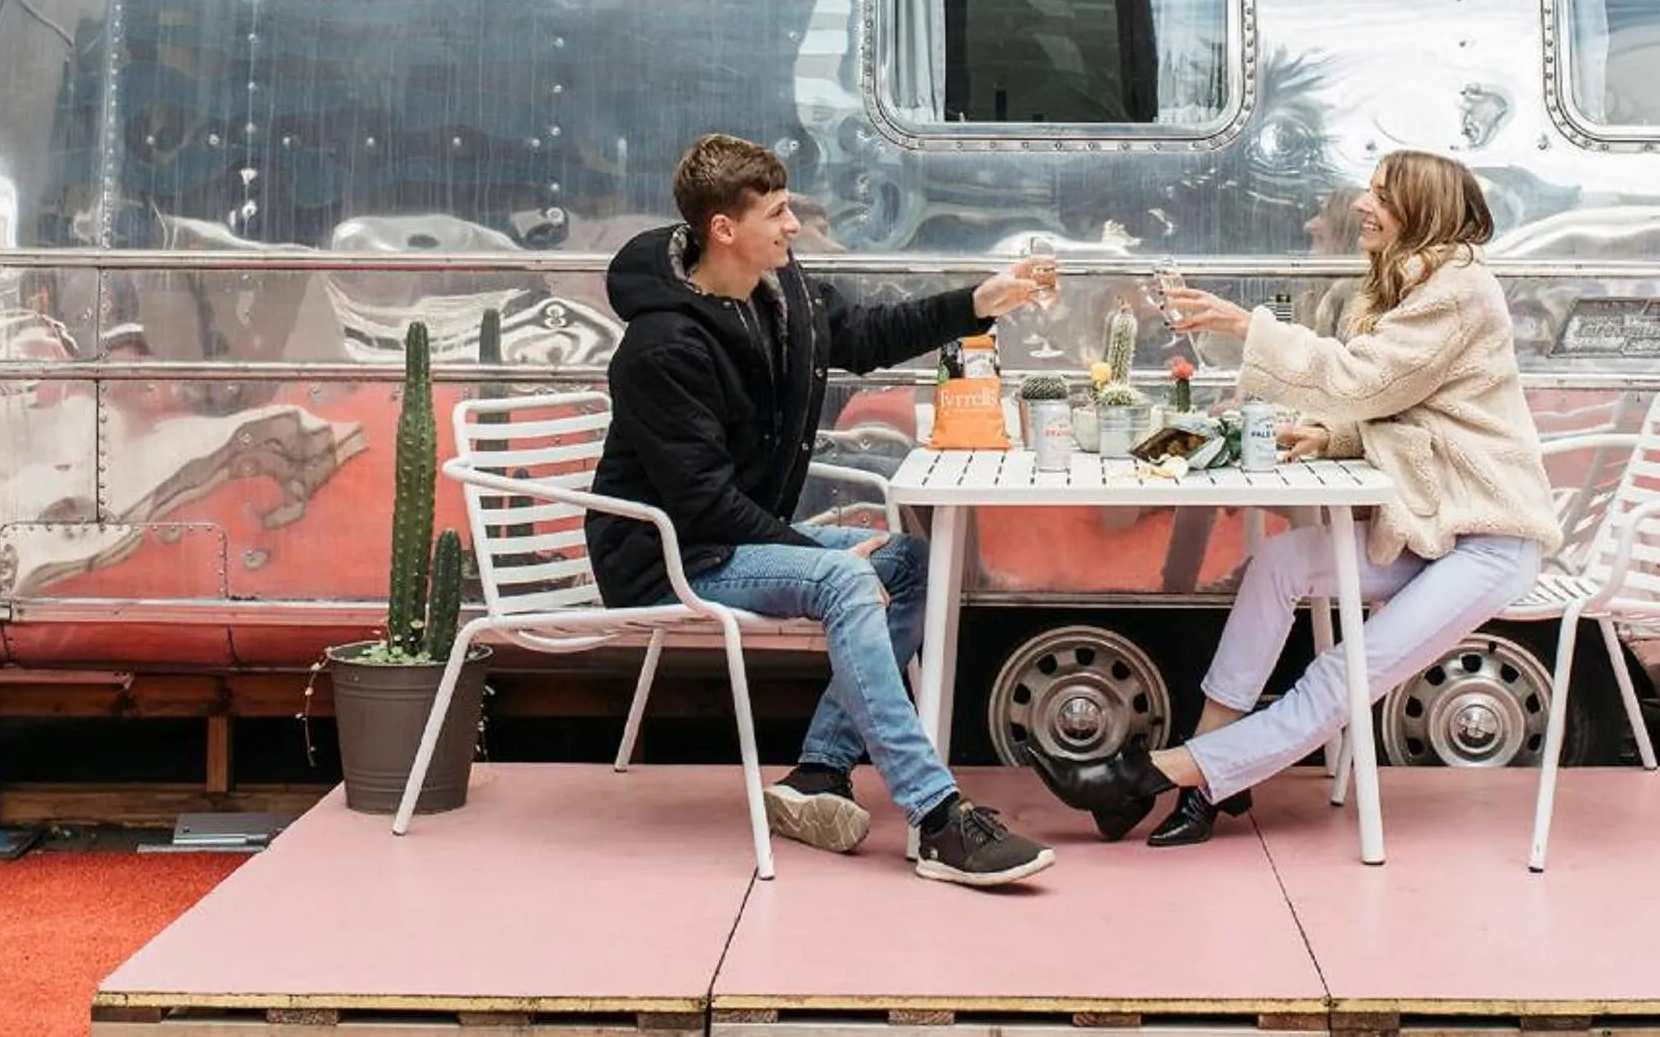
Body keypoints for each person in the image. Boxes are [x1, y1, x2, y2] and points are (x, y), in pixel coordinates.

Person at [1027, 149, 1561, 846]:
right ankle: (1212, 781)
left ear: (1421, 207)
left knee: (1346, 669)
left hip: (1490, 543)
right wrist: (1331, 436)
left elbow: (1363, 380)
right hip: (1436, 528)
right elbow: (1404, 406)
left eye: (1379, 194)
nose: (1361, 205)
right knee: (1280, 564)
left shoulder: (1457, 290)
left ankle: (1146, 775)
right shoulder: (1417, 283)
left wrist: (1244, 325)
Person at [592, 133, 1062, 888]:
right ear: (725, 228)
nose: (794, 226)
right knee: (848, 579)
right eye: (777, 212)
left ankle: (819, 770)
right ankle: (938, 817)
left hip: (732, 538)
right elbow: (702, 502)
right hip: (671, 555)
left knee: (911, 563)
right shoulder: (662, 347)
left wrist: (979, 302)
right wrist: (819, 560)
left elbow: (871, 334)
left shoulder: (782, 297)